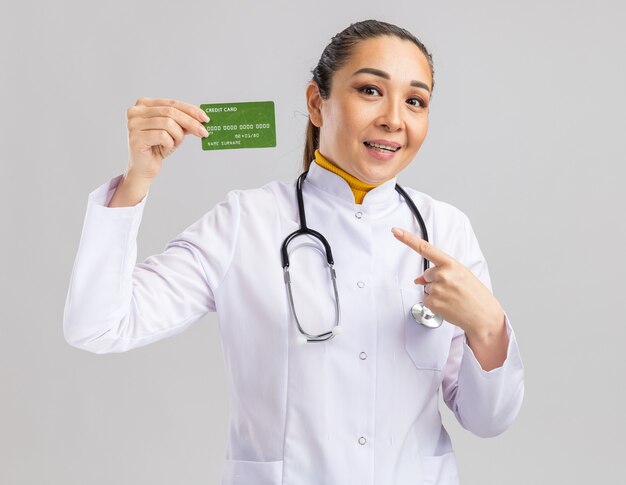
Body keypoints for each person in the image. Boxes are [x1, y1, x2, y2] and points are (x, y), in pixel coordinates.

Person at [64, 19, 524, 485]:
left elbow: (489, 419)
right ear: (316, 104)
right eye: (370, 90)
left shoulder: (446, 230)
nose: (394, 119)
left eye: (415, 101)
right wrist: (136, 180)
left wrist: (487, 327)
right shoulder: (246, 222)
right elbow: (98, 325)